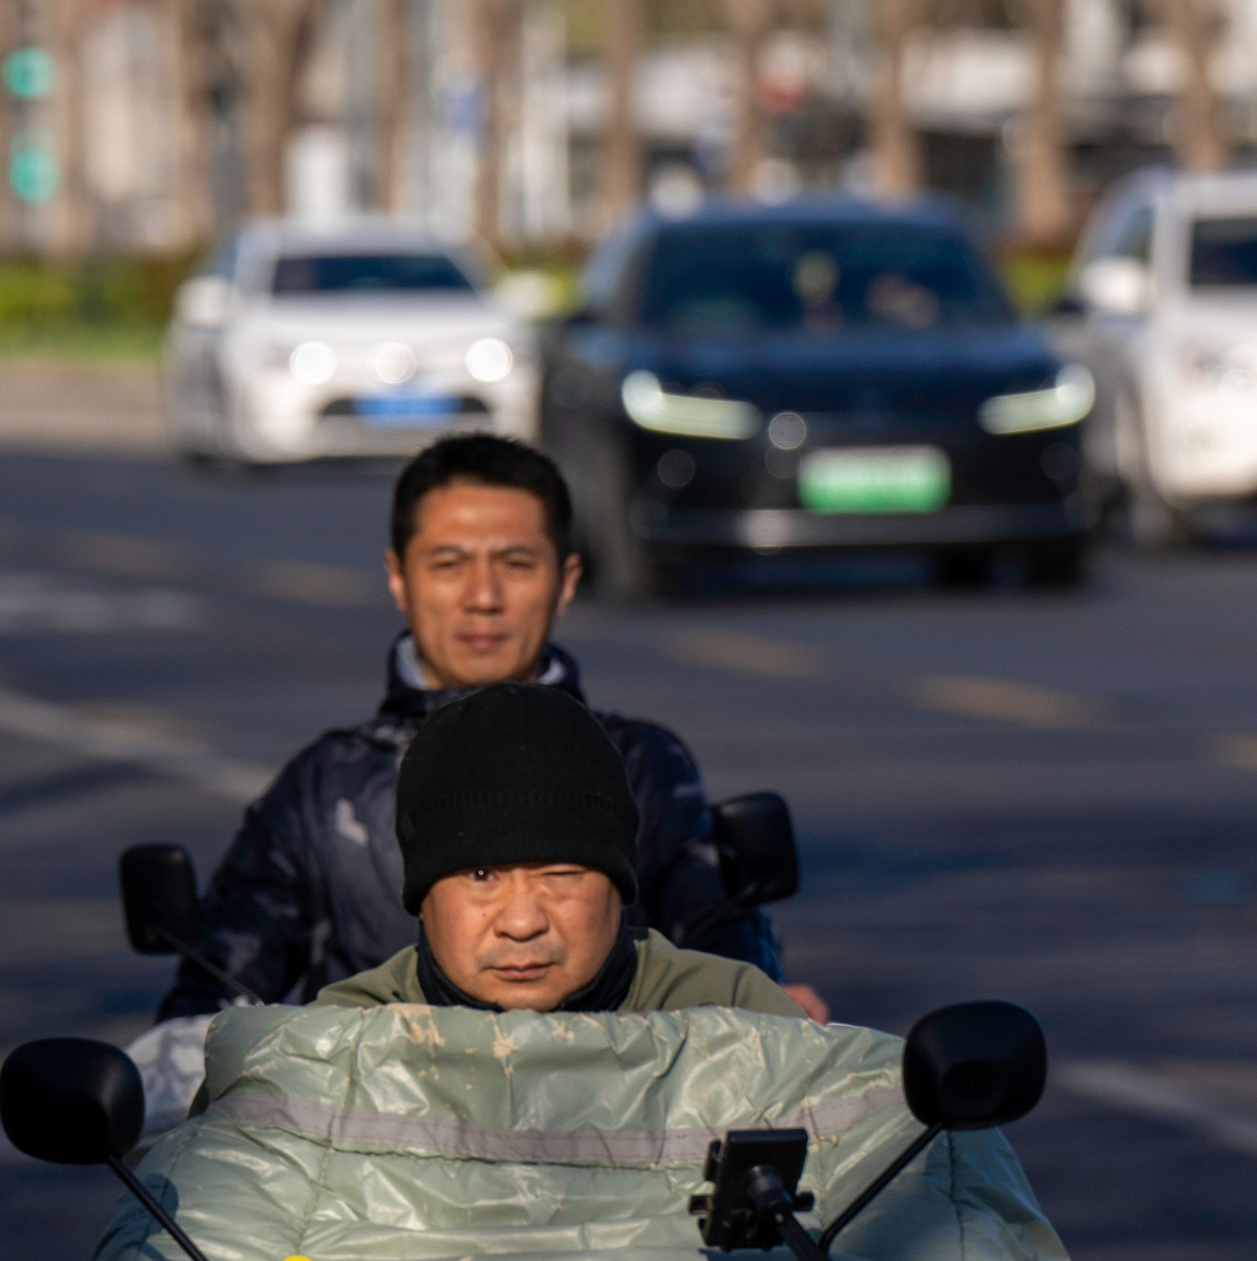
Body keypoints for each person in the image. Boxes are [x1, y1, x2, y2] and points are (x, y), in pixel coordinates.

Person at [156, 427, 825, 1017]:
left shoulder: (641, 764)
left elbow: (725, 958)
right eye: (449, 564)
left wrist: (768, 1003)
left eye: (515, 563)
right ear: (398, 576)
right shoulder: (321, 787)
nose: (483, 597)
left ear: (566, 579)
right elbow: (214, 1010)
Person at [324, 678, 812, 1015]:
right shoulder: (335, 1047)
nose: (521, 923)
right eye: (481, 875)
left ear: (620, 887)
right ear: (422, 898)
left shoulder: (737, 1020)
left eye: (559, 873)